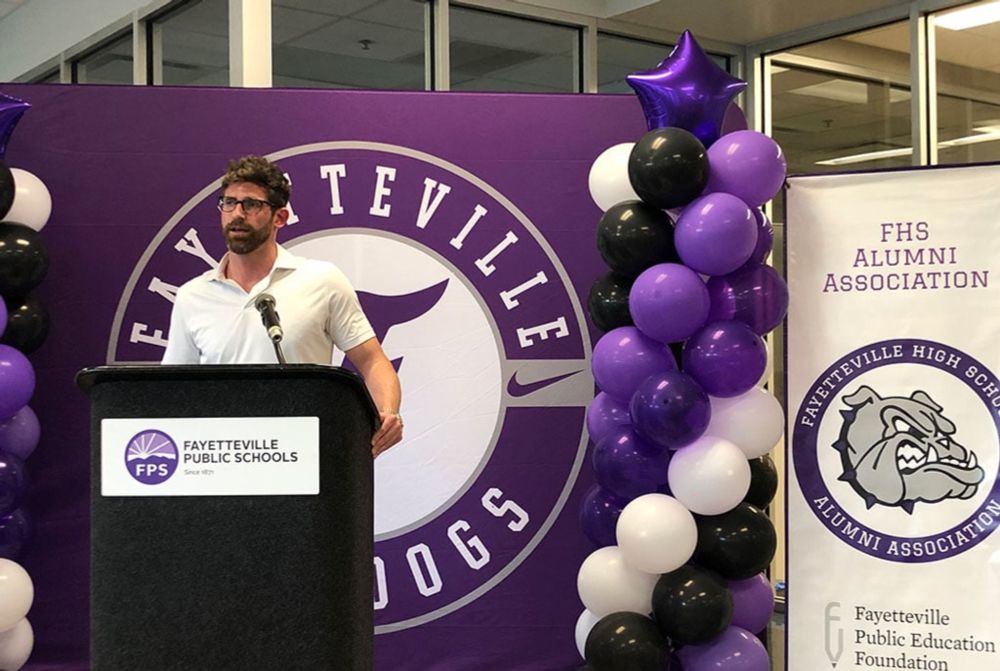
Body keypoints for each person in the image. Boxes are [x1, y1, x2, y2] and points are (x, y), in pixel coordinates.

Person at [161, 155, 402, 457]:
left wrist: (388, 412)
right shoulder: (193, 296)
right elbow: (172, 389)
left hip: (305, 454)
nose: (237, 214)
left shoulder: (321, 280)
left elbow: (372, 361)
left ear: (280, 217)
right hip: (221, 458)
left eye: (251, 205)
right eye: (229, 203)